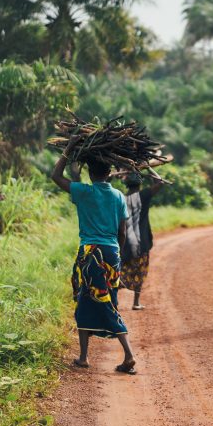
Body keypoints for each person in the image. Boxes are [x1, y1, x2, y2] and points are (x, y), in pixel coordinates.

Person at [51, 156, 137, 374]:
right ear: (110, 173)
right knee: (104, 300)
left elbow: (55, 176)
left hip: (90, 253)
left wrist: (68, 152)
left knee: (91, 302)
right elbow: (122, 232)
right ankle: (84, 357)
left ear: (90, 173)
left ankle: (126, 355)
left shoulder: (84, 192)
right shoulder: (118, 195)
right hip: (111, 253)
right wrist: (117, 257)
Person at [120, 172, 164, 310]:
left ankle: (114, 300)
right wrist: (149, 168)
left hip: (124, 242)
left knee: (121, 269)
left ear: (127, 184)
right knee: (140, 270)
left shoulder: (121, 198)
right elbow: (159, 182)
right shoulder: (143, 195)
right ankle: (136, 302)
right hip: (141, 241)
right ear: (140, 184)